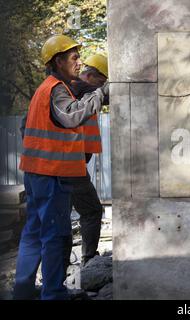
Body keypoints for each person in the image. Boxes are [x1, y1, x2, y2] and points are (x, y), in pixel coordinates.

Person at [14, 35, 109, 300]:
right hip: (52, 174)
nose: (80, 63)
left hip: (36, 172)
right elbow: (71, 116)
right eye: (74, 58)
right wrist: (100, 93)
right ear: (58, 61)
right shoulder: (56, 89)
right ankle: (54, 293)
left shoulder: (46, 88)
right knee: (55, 235)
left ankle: (22, 291)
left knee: (33, 233)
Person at [68, 54, 108, 267]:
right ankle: (89, 261)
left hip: (69, 165)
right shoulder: (75, 89)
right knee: (92, 210)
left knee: (59, 217)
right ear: (90, 76)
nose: (101, 89)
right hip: (68, 167)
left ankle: (58, 270)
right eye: (101, 82)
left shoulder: (77, 90)